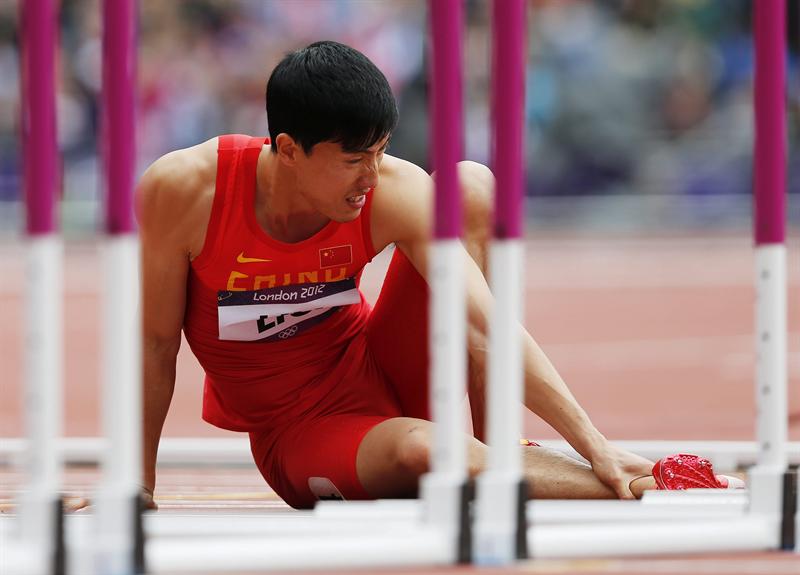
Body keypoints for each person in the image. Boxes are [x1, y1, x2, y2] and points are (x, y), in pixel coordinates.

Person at [137, 41, 734, 510]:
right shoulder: (186, 191)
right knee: (425, 450)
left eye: (380, 151)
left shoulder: (389, 190)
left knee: (469, 186)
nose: (371, 176)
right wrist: (137, 484)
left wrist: (594, 443)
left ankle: (500, 451)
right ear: (289, 149)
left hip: (381, 369)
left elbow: (485, 321)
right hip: (301, 433)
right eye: (352, 160)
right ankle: (636, 480)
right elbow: (157, 342)